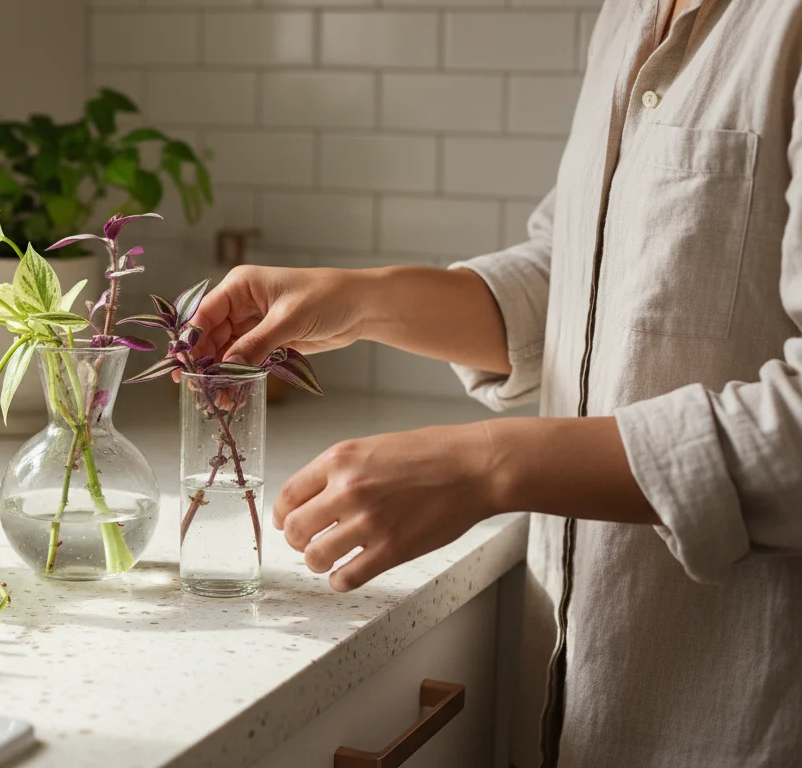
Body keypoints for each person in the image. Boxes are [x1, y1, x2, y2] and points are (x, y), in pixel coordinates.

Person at [191, 1, 802, 766]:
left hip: (747, 713)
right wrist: (362, 299)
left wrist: (484, 465)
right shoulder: (629, 15)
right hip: (596, 695)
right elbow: (582, 274)